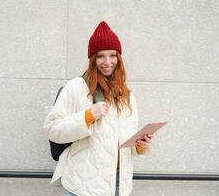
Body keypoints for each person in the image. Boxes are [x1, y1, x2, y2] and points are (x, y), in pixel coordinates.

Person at [43, 21, 154, 196]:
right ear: (92, 59)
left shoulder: (127, 96)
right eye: (101, 56)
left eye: (113, 55)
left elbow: (123, 142)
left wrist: (139, 145)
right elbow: (53, 130)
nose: (107, 62)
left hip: (118, 185)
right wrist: (87, 116)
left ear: (119, 58)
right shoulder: (76, 87)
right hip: (83, 187)